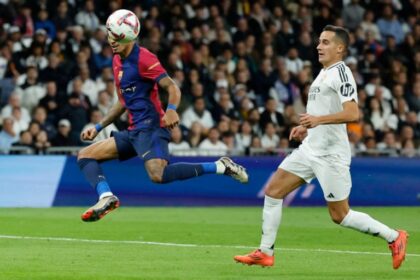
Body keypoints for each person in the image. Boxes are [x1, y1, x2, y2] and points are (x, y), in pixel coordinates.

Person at [234, 25, 408, 270]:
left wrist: (317, 121)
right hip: (310, 148)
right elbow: (323, 111)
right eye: (319, 41)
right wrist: (308, 128)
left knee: (341, 216)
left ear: (340, 48)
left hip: (331, 155)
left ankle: (394, 237)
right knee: (273, 191)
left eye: (325, 42)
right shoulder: (323, 73)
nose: (319, 46)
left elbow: (352, 112)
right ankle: (265, 252)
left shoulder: (342, 73)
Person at [78, 10, 248, 223]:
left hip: (152, 127)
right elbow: (122, 102)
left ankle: (220, 166)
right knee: (85, 155)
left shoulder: (145, 58)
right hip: (134, 131)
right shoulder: (116, 61)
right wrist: (98, 126)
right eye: (111, 35)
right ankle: (106, 197)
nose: (113, 41)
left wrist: (171, 109)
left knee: (158, 175)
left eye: (118, 37)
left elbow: (171, 86)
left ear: (131, 36)